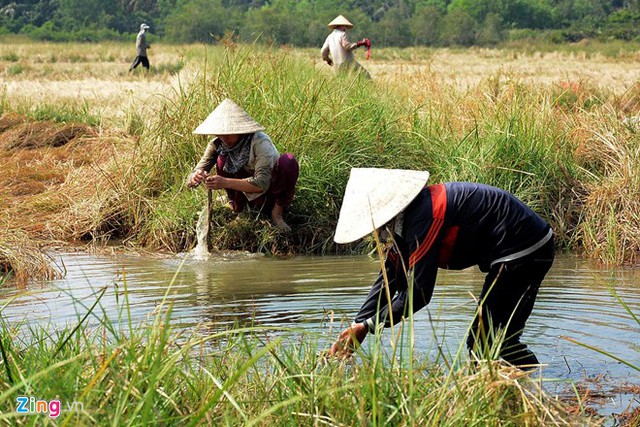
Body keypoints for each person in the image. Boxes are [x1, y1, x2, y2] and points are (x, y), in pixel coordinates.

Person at [327, 168, 555, 369]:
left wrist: (368, 326)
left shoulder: (425, 216)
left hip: (525, 250)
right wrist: (358, 325)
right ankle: (522, 389)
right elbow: (389, 277)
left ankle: (540, 387)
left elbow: (418, 294)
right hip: (513, 250)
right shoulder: (406, 222)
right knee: (485, 343)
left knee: (489, 344)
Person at [186, 99, 299, 233]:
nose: (224, 138)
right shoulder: (218, 144)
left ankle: (277, 213)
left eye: (228, 133)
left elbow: (262, 183)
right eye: (220, 134)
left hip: (269, 193)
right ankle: (238, 206)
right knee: (222, 159)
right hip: (245, 193)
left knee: (289, 161)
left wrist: (225, 182)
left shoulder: (260, 143)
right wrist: (195, 176)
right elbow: (197, 172)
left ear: (241, 131)